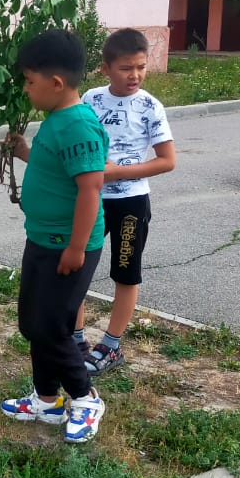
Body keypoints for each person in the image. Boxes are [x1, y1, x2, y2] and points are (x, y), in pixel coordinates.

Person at [0, 29, 110, 443]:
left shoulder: (78, 126)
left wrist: (77, 247)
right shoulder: (57, 120)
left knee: (52, 328)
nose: (26, 89)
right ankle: (46, 399)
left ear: (56, 83)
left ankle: (85, 398)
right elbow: (57, 169)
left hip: (68, 247)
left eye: (30, 81)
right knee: (33, 323)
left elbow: (90, 188)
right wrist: (25, 152)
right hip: (43, 240)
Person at [72, 28, 176, 375]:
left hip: (131, 203)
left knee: (126, 273)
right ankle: (75, 342)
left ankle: (111, 346)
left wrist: (119, 173)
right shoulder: (90, 99)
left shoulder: (150, 106)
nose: (134, 75)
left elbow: (167, 161)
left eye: (141, 67)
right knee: (76, 267)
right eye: (126, 68)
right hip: (89, 200)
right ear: (105, 68)